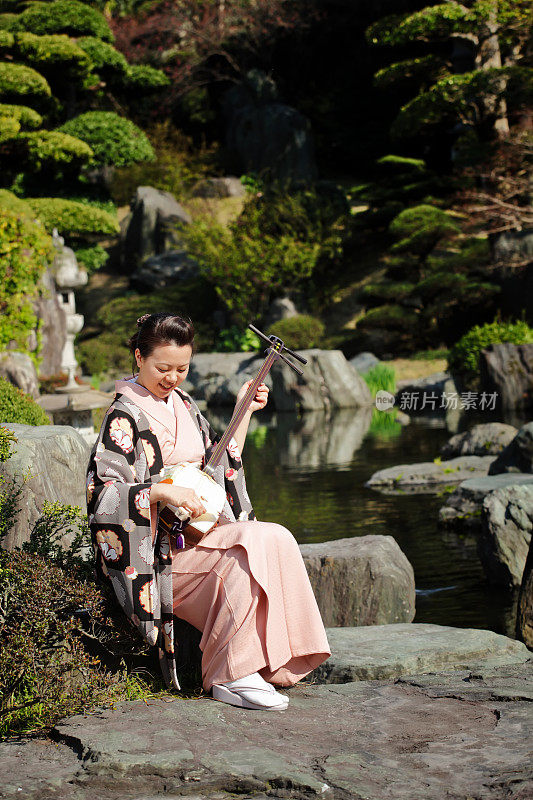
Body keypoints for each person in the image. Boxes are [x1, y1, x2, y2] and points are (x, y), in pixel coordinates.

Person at [86, 311, 331, 711]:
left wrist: (244, 411)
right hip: (161, 554)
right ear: (138, 357)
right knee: (239, 558)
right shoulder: (123, 417)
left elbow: (216, 467)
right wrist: (164, 491)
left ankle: (278, 660)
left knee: (274, 535)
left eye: (182, 368)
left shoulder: (182, 403)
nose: (172, 377)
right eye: (162, 368)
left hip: (199, 534)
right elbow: (106, 495)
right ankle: (229, 675)